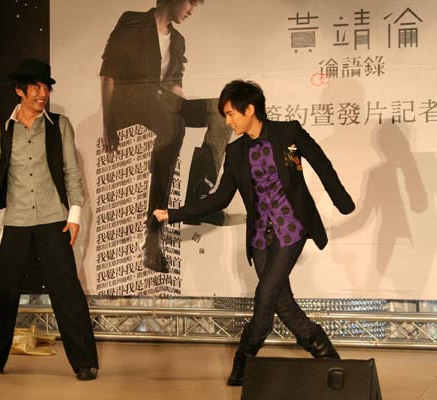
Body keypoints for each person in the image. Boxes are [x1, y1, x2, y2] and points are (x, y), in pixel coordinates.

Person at [153, 80, 355, 386]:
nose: (228, 121)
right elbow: (220, 198)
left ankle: (244, 360)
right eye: (225, 115)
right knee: (282, 303)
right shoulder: (236, 152)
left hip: (291, 228)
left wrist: (342, 202)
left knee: (264, 296)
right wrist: (174, 213)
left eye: (231, 114)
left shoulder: (288, 133)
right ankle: (329, 359)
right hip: (260, 236)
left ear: (250, 109)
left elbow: (320, 163)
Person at [0, 59, 99, 380]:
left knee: (67, 291)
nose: (43, 94)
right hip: (17, 219)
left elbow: (72, 172)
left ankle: (85, 362)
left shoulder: (59, 125)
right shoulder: (4, 129)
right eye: (36, 88)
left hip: (54, 218)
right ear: (20, 91)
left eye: (46, 87)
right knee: (5, 290)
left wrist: (75, 216)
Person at [100, 0, 232, 273]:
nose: (191, 10)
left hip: (164, 103)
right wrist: (108, 123)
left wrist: (190, 108)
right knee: (174, 127)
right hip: (131, 106)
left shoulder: (178, 40)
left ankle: (199, 199)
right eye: (190, 2)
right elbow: (107, 75)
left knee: (220, 113)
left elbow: (174, 86)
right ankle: (152, 241)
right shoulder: (132, 21)